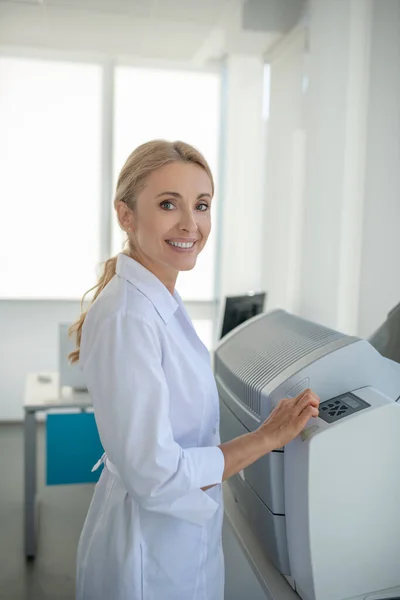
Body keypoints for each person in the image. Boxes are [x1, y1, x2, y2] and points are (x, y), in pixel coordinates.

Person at [70, 140, 320, 600]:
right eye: (169, 204)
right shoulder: (130, 316)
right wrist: (266, 438)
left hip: (174, 543)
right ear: (125, 215)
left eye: (202, 205)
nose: (191, 223)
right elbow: (156, 474)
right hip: (146, 560)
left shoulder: (158, 299)